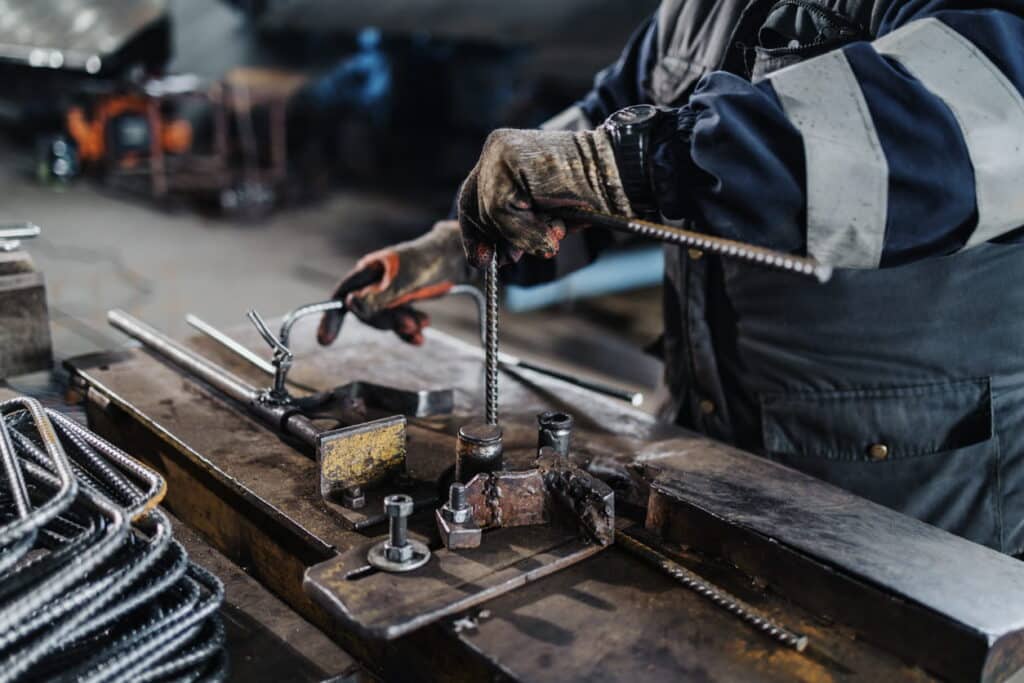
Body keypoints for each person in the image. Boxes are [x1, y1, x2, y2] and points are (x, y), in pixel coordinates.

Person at [319, 1, 1024, 555]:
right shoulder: (701, 7)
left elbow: (955, 131)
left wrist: (640, 164)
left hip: (912, 492)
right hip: (708, 443)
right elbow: (609, 129)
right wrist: (467, 241)